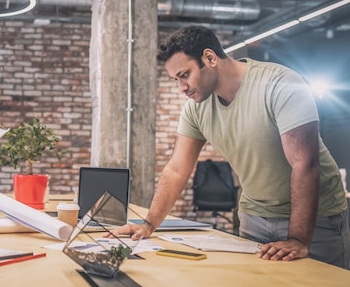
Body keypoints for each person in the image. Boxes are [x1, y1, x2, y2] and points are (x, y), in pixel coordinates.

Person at [111, 25, 350, 269]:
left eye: (184, 75)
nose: (181, 87)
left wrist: (298, 239)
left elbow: (304, 164)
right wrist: (148, 224)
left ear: (210, 58)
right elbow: (176, 169)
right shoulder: (196, 107)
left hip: (315, 220)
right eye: (175, 80)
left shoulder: (279, 83)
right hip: (254, 217)